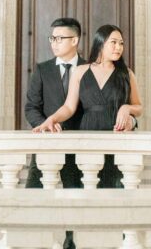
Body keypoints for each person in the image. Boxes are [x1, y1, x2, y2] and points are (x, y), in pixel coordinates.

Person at [32, 23, 143, 188]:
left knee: (116, 188)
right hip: (88, 135)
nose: (118, 47)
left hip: (117, 137)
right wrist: (52, 119)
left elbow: (139, 107)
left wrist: (126, 108)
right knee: (86, 187)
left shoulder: (127, 73)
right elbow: (69, 107)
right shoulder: (81, 71)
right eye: (113, 42)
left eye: (121, 43)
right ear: (100, 43)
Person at [24, 17, 86, 189]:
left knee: (77, 195)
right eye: (52, 38)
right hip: (47, 141)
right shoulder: (42, 70)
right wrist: (45, 125)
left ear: (74, 40)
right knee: (33, 193)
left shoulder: (89, 68)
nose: (54, 43)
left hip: (79, 144)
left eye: (60, 38)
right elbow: (31, 107)